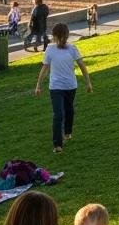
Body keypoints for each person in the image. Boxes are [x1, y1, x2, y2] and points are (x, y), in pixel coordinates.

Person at [35, 23, 93, 153]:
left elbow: (82, 66)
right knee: (58, 114)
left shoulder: (72, 49)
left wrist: (88, 83)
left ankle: (67, 132)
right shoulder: (50, 50)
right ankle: (57, 144)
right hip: (56, 87)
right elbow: (45, 68)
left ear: (64, 36)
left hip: (70, 86)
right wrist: (38, 85)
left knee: (69, 111)